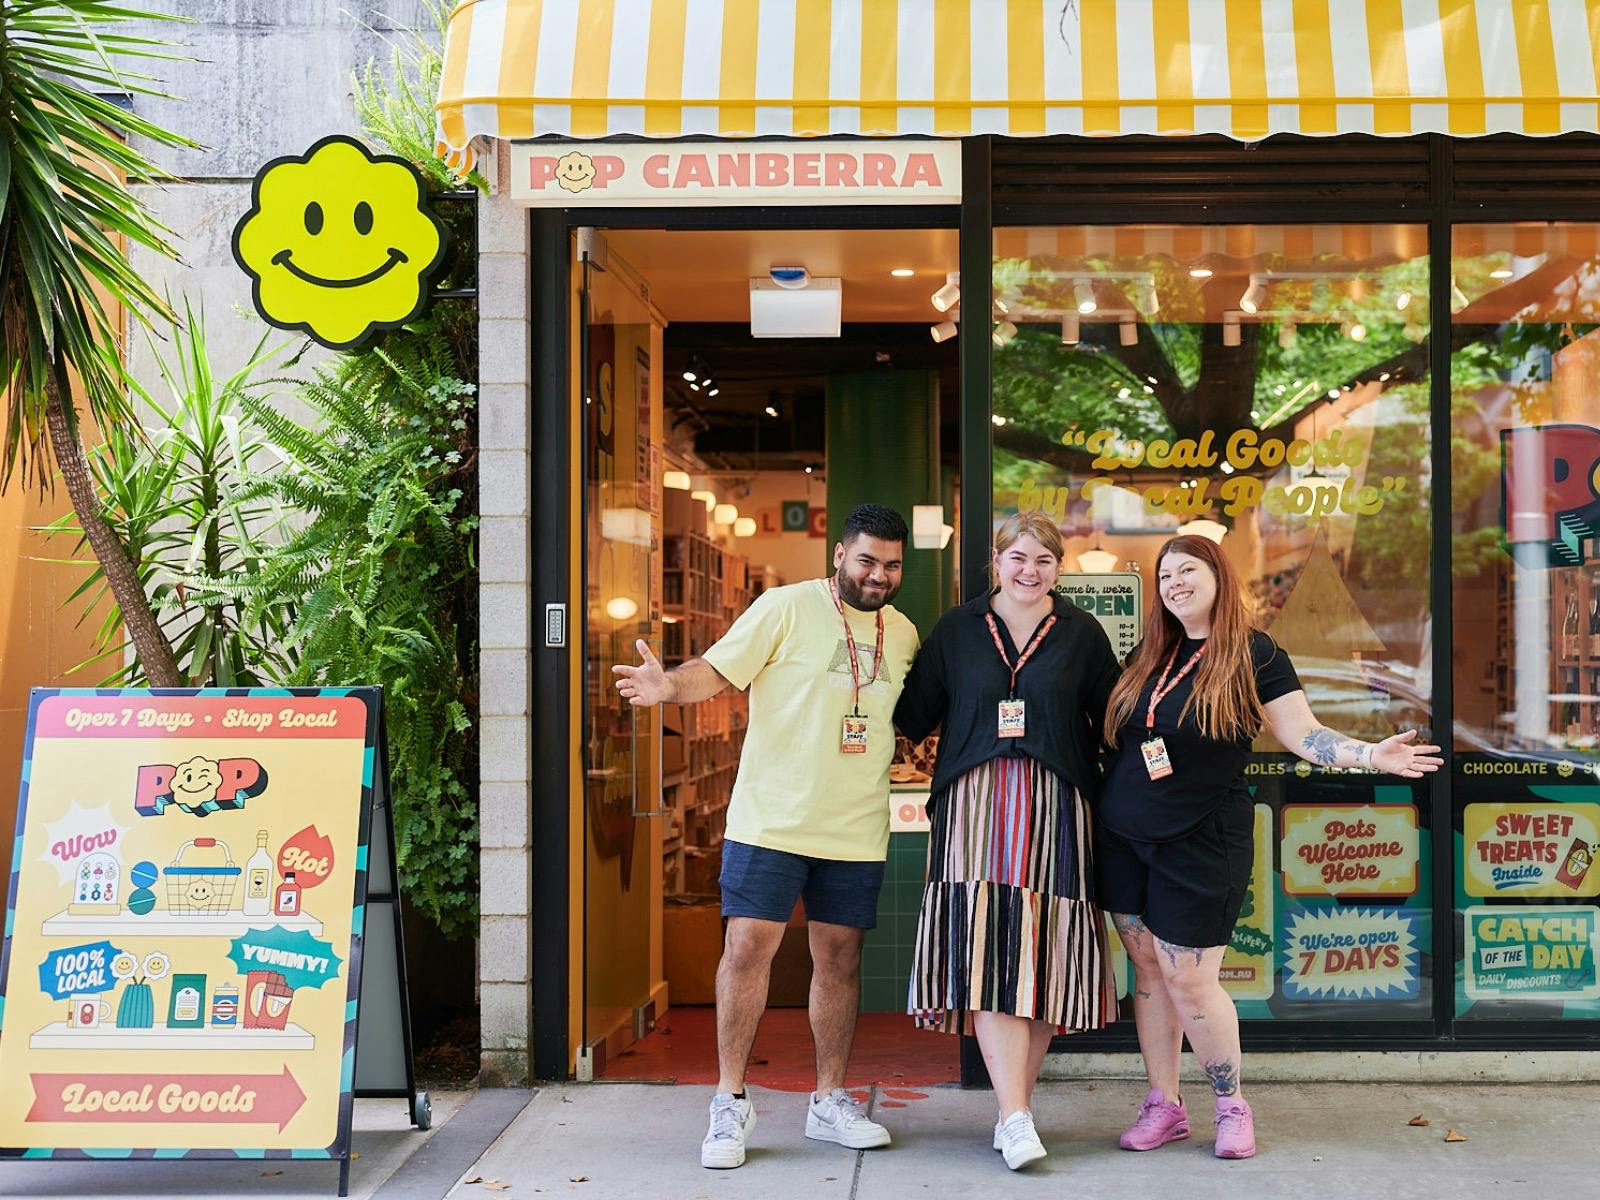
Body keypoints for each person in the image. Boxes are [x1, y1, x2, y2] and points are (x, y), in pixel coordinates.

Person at [1096, 534, 1441, 1161]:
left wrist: (1369, 754)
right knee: (1148, 970)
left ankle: (1231, 1105)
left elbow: (1304, 734)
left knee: (1191, 979)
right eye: (1165, 574)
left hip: (1201, 839)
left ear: (1219, 577)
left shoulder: (1255, 654)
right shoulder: (1149, 654)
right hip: (1124, 838)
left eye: (1187, 570)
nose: (1174, 582)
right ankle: (1164, 1105)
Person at [613, 503, 920, 1171]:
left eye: (892, 565)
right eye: (867, 560)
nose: (878, 575)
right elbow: (716, 671)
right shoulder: (784, 607)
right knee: (748, 948)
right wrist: (667, 686)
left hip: (855, 826)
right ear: (839, 555)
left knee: (839, 959)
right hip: (771, 819)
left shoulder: (902, 633)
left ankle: (829, 1100)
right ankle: (730, 1099)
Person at [894, 511, 1121, 1171]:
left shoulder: (1081, 633)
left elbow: (1115, 718)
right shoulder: (957, 630)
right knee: (992, 949)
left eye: (1044, 561)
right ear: (996, 561)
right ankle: (1016, 1117)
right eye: (1018, 557)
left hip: (1059, 805)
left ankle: (1011, 1109)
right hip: (974, 806)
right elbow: (910, 713)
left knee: (1047, 955)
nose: (1030, 571)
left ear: (1059, 568)